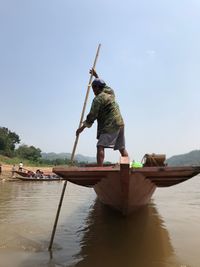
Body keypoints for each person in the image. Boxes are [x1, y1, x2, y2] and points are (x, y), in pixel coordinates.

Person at [76, 68, 128, 166]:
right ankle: (127, 167)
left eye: (93, 88)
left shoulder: (98, 99)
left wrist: (81, 128)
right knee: (121, 148)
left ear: (96, 88)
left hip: (110, 124)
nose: (93, 91)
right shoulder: (110, 93)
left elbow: (92, 116)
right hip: (120, 123)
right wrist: (96, 76)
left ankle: (100, 169)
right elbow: (104, 86)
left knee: (100, 146)